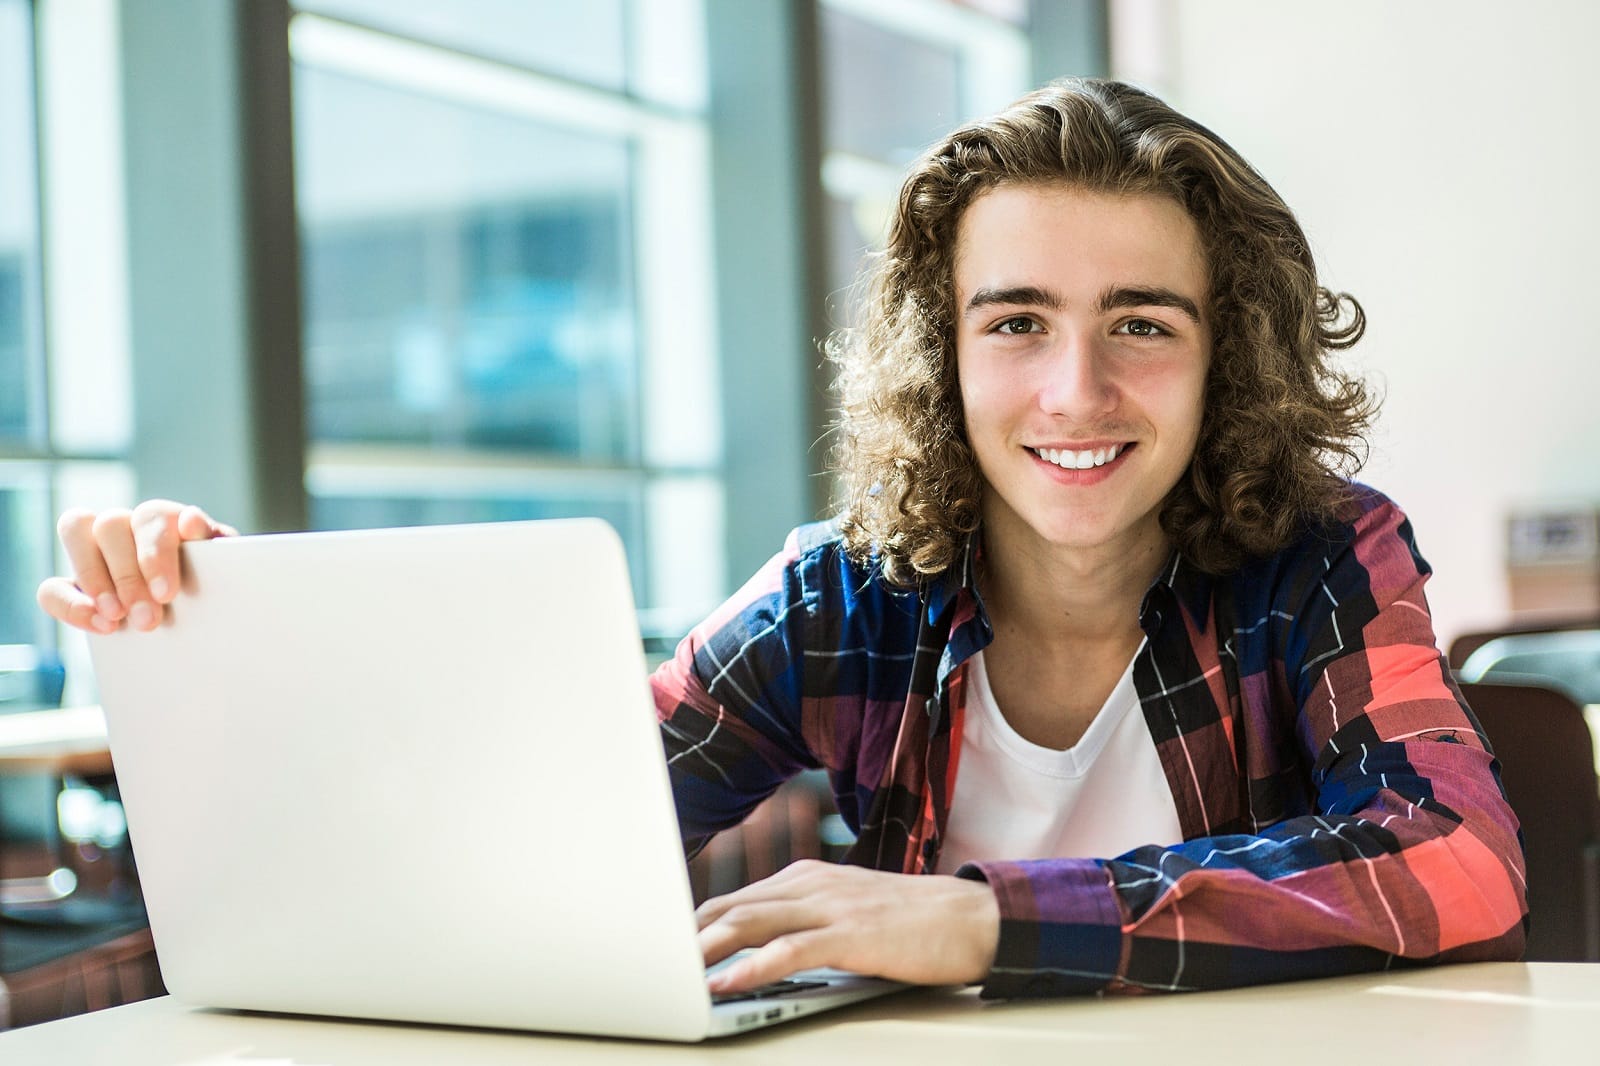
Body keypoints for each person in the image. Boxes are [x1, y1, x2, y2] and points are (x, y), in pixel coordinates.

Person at [38, 79, 1526, 999]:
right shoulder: (842, 595)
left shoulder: (1324, 556)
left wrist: (978, 920)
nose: (1077, 392)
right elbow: (515, 831)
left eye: (1143, 324)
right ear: (943, 357)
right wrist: (223, 637)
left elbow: (1457, 855)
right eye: (1016, 323)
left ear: (1228, 358)